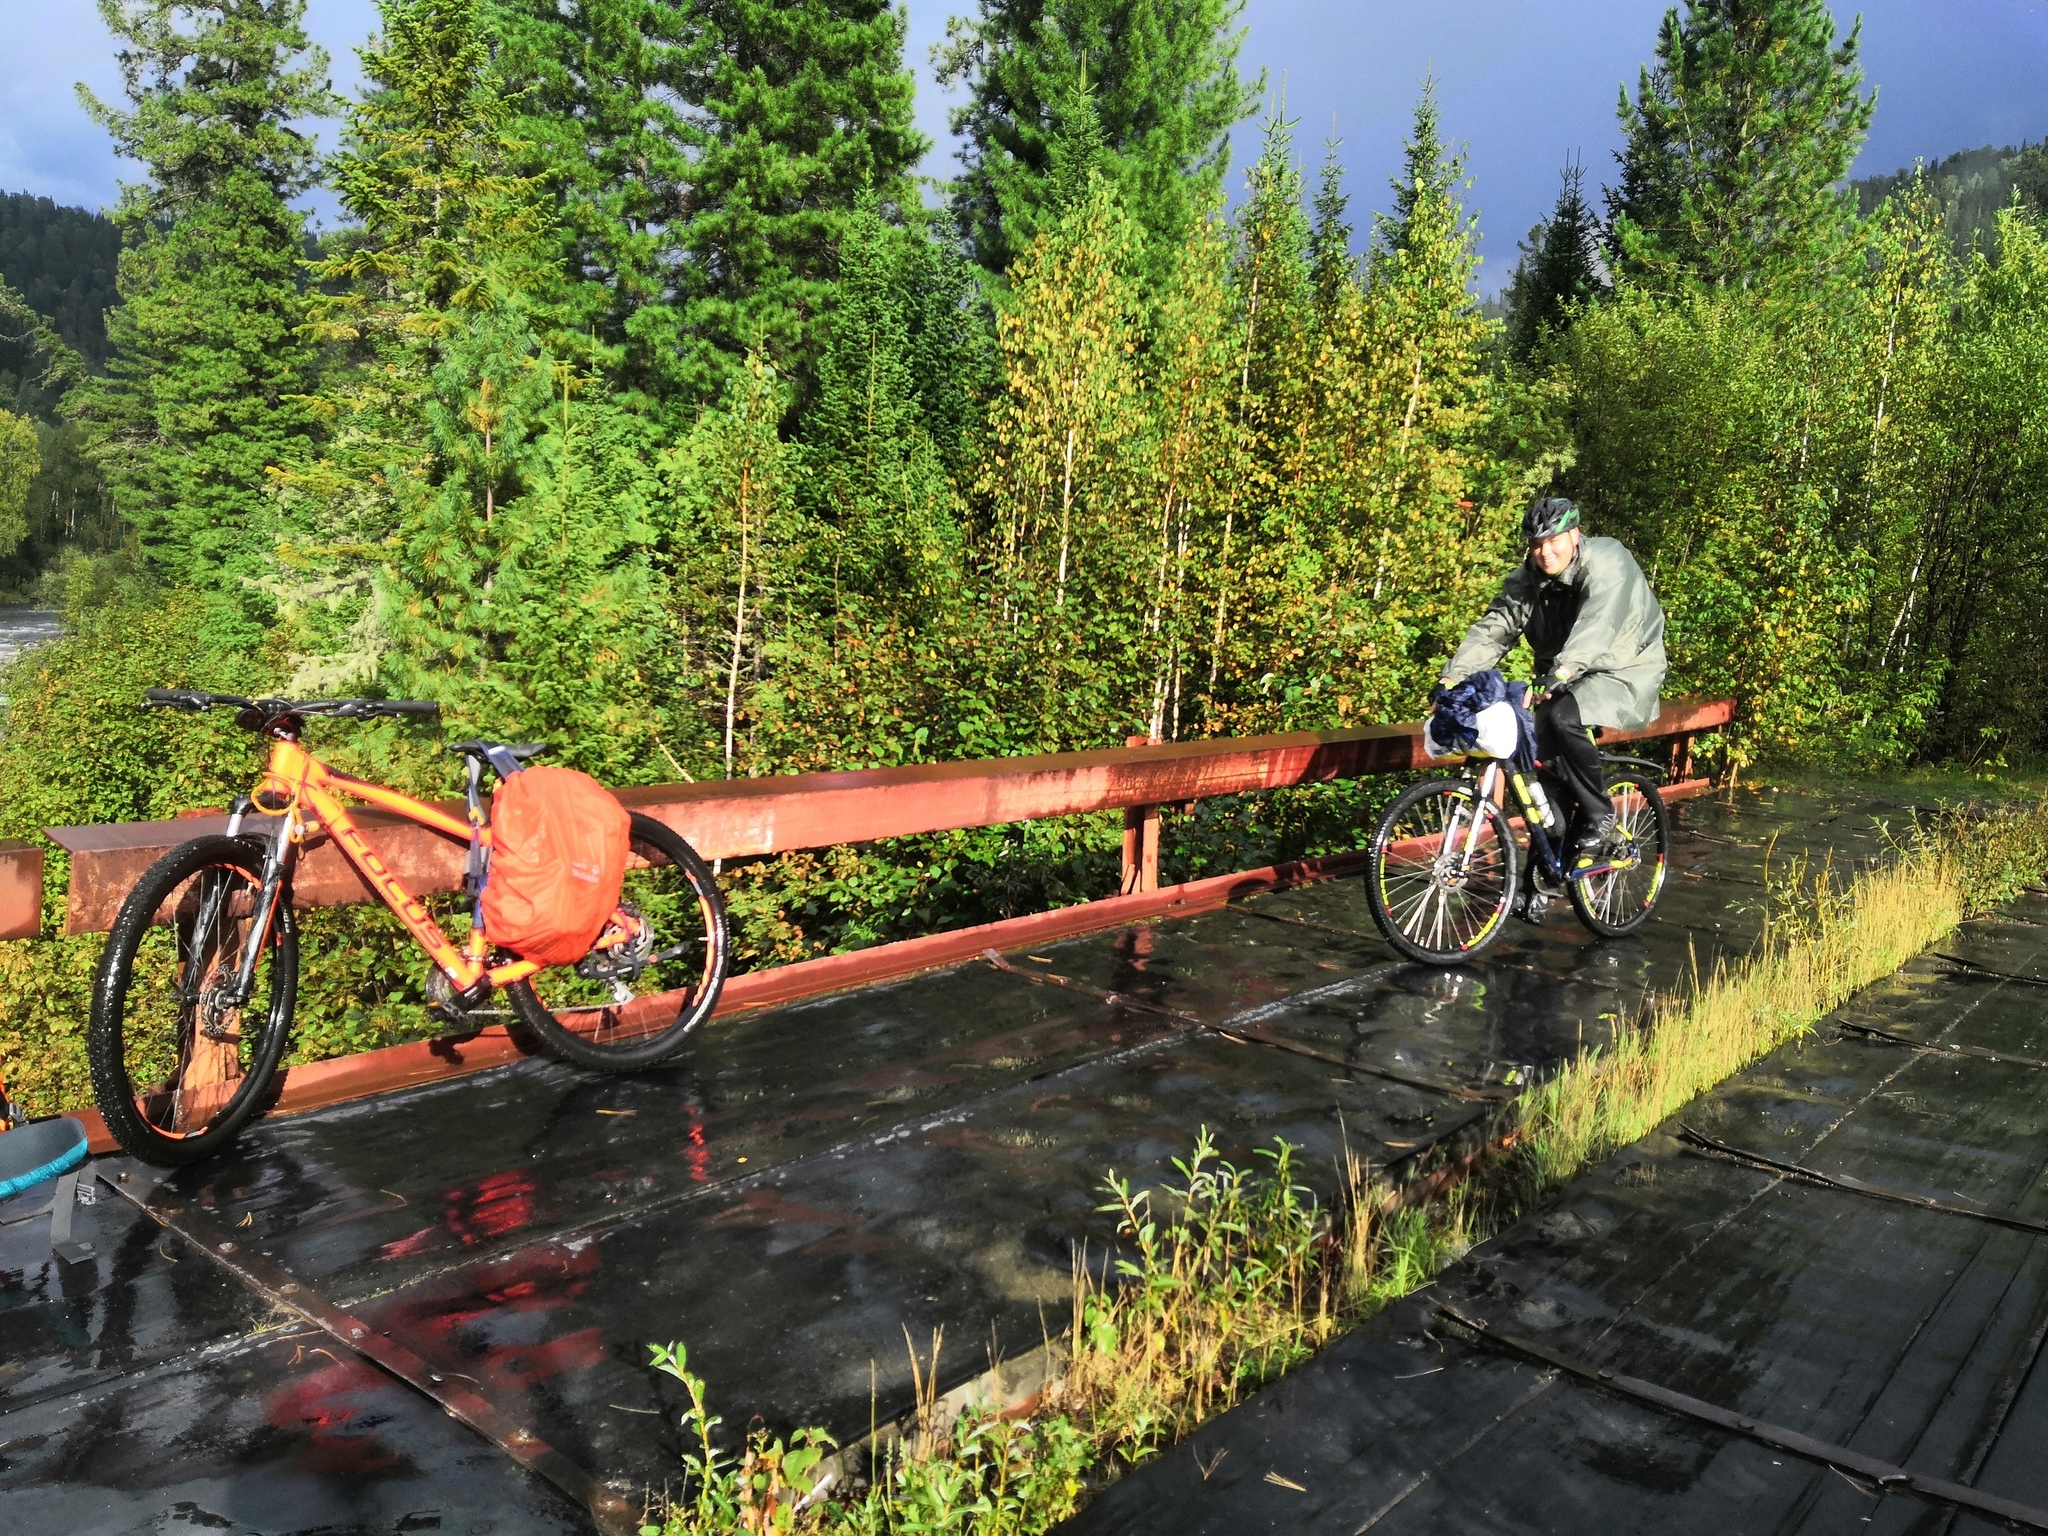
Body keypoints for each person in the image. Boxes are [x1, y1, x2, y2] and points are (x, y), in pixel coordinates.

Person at [1439, 496, 1667, 874]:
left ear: (1574, 535)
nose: (1544, 553)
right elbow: (1494, 631)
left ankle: (1600, 815)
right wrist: (1453, 677)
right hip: (1563, 673)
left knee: (1562, 718)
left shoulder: (1608, 561)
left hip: (1624, 666)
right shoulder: (1528, 579)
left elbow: (1600, 626)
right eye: (1535, 544)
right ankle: (1542, 879)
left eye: (1553, 541)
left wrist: (1561, 672)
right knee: (1533, 761)